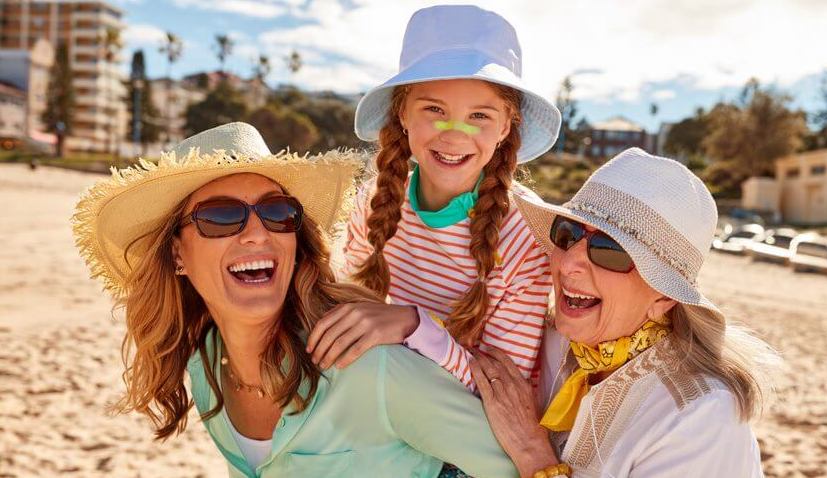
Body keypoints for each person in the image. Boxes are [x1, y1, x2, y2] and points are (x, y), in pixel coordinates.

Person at [72, 122, 519, 477]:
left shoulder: (367, 366)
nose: (256, 233)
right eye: (221, 216)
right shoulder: (205, 364)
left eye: (276, 212)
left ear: (295, 237)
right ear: (177, 254)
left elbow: (511, 468)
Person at [470, 148, 781, 477]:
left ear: (664, 297)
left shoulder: (699, 417)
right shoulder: (541, 337)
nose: (569, 261)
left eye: (608, 249)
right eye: (568, 234)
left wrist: (532, 453)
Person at [306, 5, 561, 392]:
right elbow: (348, 318)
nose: (454, 134)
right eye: (434, 109)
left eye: (479, 116)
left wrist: (412, 324)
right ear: (403, 114)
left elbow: (505, 389)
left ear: (506, 127)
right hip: (385, 395)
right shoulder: (374, 201)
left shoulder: (526, 236)